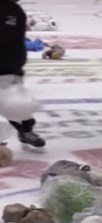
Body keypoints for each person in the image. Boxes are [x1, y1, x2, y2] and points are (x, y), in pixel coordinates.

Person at [0, 0, 45, 151]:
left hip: (9, 68)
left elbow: (16, 41)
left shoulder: (15, 11)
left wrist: (17, 62)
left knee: (17, 104)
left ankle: (25, 129)